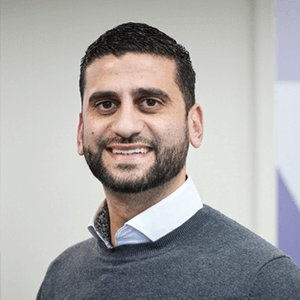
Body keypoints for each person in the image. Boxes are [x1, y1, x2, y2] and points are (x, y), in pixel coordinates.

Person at [37, 22, 300, 299]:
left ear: (194, 126)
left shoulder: (266, 281)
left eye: (150, 102)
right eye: (106, 104)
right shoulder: (62, 275)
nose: (126, 126)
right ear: (81, 131)